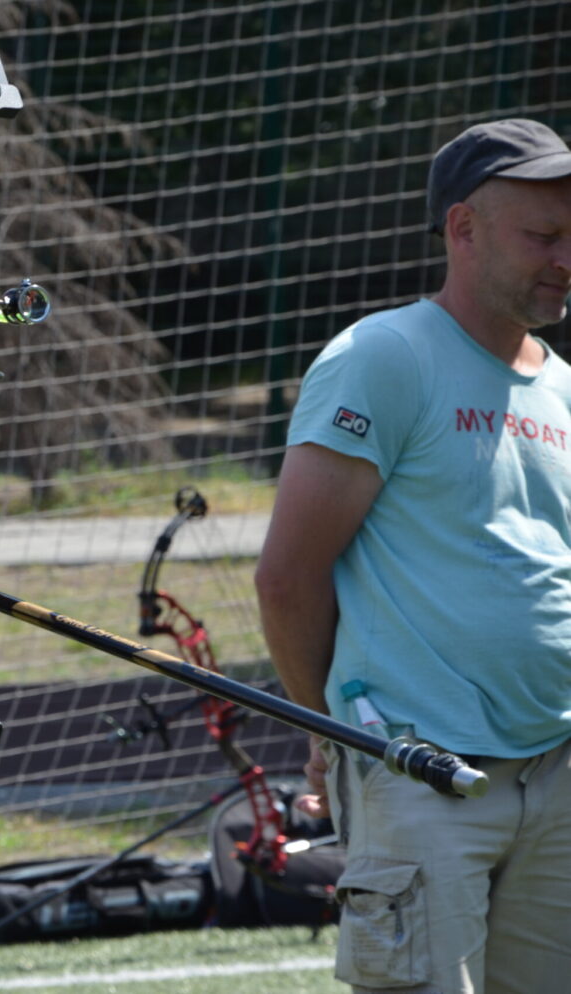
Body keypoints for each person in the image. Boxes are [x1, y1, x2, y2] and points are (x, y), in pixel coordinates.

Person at [254, 118, 571, 994]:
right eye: (543, 235)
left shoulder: (563, 387)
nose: (565, 259)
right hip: (419, 773)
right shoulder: (383, 357)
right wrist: (330, 732)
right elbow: (287, 578)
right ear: (463, 228)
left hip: (558, 773)